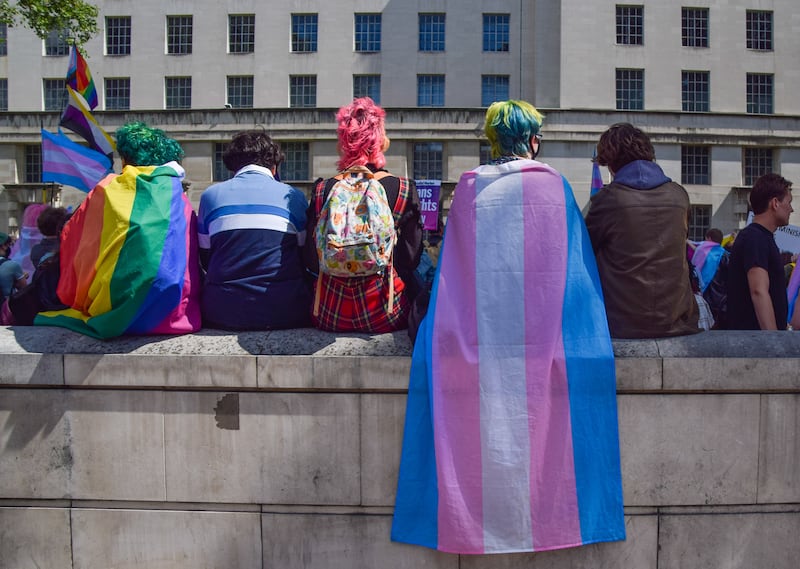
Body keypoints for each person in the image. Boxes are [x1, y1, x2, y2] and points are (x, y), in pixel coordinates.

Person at [392, 101, 625, 554]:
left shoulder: (470, 185)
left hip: (482, 338)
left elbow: (456, 272)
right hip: (545, 341)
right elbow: (574, 274)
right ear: (533, 141)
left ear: (492, 142)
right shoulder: (556, 185)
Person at [34, 122, 201, 339]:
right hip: (175, 313)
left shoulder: (108, 188)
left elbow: (74, 240)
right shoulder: (177, 194)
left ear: (125, 158)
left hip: (114, 309)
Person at [303, 97, 423, 333]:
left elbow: (310, 258)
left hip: (330, 312)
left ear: (343, 140)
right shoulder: (403, 189)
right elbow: (411, 259)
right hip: (384, 311)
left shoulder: (322, 191)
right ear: (381, 140)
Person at [585, 122, 699, 338]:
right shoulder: (679, 195)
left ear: (610, 163)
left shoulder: (608, 200)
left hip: (620, 322)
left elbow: (586, 252)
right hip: (677, 321)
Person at [197, 130, 311, 329]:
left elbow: (206, 257)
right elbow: (303, 256)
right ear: (274, 166)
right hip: (286, 309)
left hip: (222, 311)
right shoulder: (294, 196)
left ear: (232, 166)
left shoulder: (210, 196)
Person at [728, 173, 793, 330]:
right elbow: (758, 291)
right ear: (775, 203)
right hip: (755, 344)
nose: (792, 209)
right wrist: (773, 342)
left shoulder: (760, 237)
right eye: (789, 202)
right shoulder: (755, 238)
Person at [0, 232, 28, 301]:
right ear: (4, 246)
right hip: (4, 307)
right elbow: (23, 290)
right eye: (9, 244)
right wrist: (22, 277)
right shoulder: (12, 265)